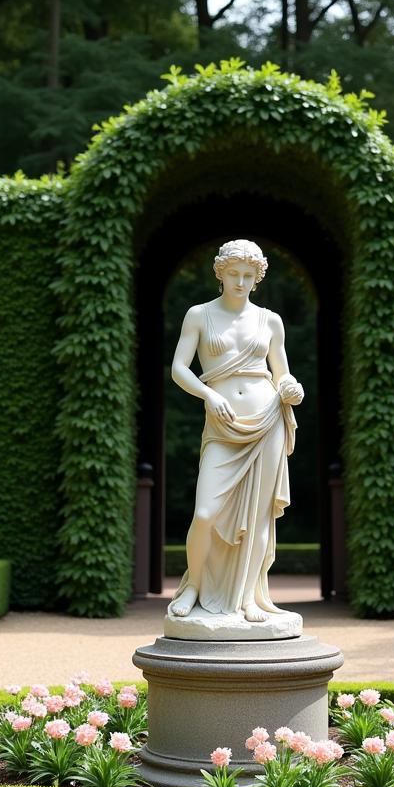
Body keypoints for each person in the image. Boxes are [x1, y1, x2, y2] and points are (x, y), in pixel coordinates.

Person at [168, 239, 304, 623]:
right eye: (234, 275)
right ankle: (194, 584)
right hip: (223, 425)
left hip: (267, 421)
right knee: (206, 512)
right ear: (220, 274)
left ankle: (248, 596)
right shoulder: (199, 315)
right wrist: (209, 395)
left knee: (260, 517)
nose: (241, 282)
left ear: (257, 278)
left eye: (248, 276)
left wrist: (291, 388)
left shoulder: (269, 320)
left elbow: (282, 372)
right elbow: (179, 369)